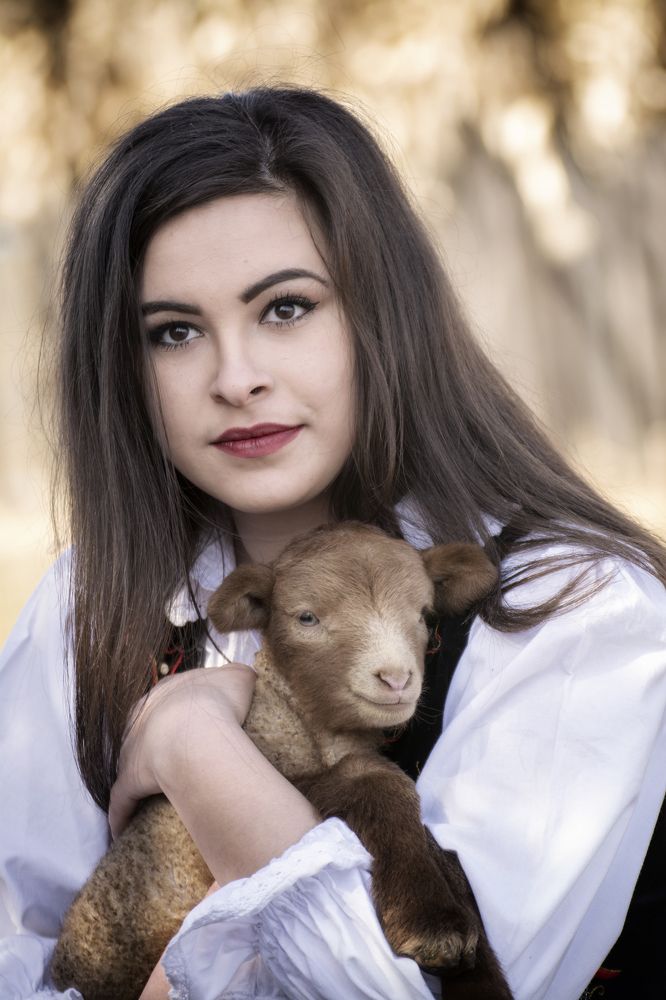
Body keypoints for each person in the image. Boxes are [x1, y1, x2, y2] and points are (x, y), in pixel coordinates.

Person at [0, 86, 664, 1000]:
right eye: (176, 332)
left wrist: (197, 750)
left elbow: (417, 990)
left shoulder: (575, 607)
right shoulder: (88, 607)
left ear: (379, 313)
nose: (236, 379)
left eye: (285, 309)